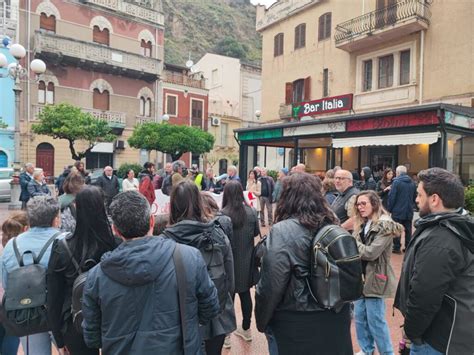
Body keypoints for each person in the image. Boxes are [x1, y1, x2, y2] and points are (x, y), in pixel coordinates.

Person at [82, 191, 220, 354]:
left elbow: (93, 337)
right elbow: (210, 307)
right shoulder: (189, 257)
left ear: (115, 230)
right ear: (152, 221)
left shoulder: (96, 277)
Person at [255, 173, 352, 355]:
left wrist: (262, 320)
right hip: (335, 315)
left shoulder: (282, 231)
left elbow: (271, 284)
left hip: (295, 319)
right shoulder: (334, 225)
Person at [395, 168, 474, 355]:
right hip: (454, 335)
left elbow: (424, 294)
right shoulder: (456, 226)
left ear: (435, 199)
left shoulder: (441, 238)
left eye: (419, 195)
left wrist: (411, 332)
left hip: (438, 339)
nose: (416, 200)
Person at [165, 182, 236, 355]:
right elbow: (230, 282)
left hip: (177, 320)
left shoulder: (164, 241)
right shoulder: (219, 235)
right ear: (199, 202)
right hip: (215, 319)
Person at [48, 186, 117, 355]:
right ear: (103, 207)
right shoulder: (116, 244)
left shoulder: (62, 247)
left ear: (77, 208)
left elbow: (53, 296)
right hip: (113, 320)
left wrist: (58, 336)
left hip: (75, 321)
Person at [1, 196, 62, 355]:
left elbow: (8, 285)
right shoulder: (64, 240)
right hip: (60, 310)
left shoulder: (11, 245)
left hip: (28, 312)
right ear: (55, 220)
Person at [352, 191, 402, 355]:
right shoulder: (362, 224)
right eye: (358, 204)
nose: (360, 207)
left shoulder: (385, 225)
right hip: (360, 277)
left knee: (375, 320)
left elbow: (371, 253)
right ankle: (367, 349)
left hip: (377, 277)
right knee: (360, 317)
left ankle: (387, 352)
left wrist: (352, 243)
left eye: (363, 203)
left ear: (374, 204)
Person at [221, 181, 259, 345]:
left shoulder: (222, 214)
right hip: (246, 261)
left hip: (227, 264)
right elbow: (256, 233)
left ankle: (226, 336)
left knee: (226, 300)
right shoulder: (251, 212)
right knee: (245, 295)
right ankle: (246, 328)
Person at [0, 211, 28, 355]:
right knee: (10, 342)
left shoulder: (4, 252)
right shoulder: (23, 256)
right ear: (25, 229)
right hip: (11, 307)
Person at [387, 165, 416, 253]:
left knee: (396, 229)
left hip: (397, 210)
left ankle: (396, 247)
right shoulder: (412, 183)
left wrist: (389, 209)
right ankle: (408, 247)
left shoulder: (396, 182)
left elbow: (392, 197)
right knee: (408, 229)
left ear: (398, 172)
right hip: (409, 210)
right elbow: (414, 196)